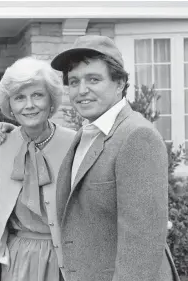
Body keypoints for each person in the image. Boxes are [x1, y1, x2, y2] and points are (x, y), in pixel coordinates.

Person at [49, 35, 180, 281]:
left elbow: (142, 246)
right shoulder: (87, 133)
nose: (81, 90)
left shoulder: (137, 136)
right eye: (74, 81)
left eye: (94, 79)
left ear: (119, 82)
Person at [0, 57, 75, 281]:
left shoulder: (75, 144)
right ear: (9, 106)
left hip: (64, 259)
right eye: (19, 98)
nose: (29, 105)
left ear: (51, 100)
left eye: (37, 95)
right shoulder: (0, 144)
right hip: (16, 257)